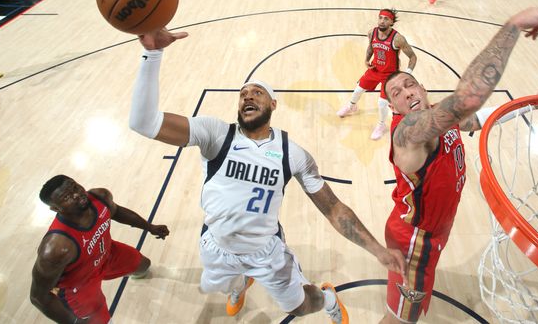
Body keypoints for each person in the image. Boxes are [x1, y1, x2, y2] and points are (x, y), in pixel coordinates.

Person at [128, 29, 405, 323]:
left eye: (257, 93)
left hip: (265, 252)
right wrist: (152, 54)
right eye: (243, 94)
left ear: (273, 104)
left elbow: (334, 208)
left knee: (298, 308)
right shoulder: (215, 134)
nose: (248, 97)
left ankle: (325, 297)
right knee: (223, 285)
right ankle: (240, 284)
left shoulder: (291, 152)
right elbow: (143, 123)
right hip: (216, 244)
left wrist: (376, 249)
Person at [380, 7, 538, 323]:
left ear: (423, 89)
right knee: (400, 319)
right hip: (414, 239)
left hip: (434, 230)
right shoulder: (409, 132)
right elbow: (469, 99)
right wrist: (512, 25)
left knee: (408, 312)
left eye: (409, 84)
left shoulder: (441, 116)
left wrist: (531, 101)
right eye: (396, 94)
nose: (406, 93)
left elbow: (479, 117)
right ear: (394, 107)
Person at [30, 175, 170, 324]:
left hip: (107, 254)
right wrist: (74, 322)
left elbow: (117, 212)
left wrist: (150, 227)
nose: (77, 194)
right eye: (67, 197)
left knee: (143, 265)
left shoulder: (100, 197)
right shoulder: (56, 248)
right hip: (79, 284)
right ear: (55, 209)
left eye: (75, 187)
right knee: (101, 321)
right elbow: (38, 297)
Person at [337, 9, 417, 141]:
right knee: (358, 89)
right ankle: (351, 106)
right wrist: (366, 59)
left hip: (389, 75)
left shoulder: (398, 39)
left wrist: (407, 73)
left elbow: (413, 57)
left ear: (391, 22)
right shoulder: (372, 32)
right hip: (375, 69)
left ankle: (381, 125)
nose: (382, 21)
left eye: (386, 19)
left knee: (381, 103)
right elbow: (371, 47)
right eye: (380, 18)